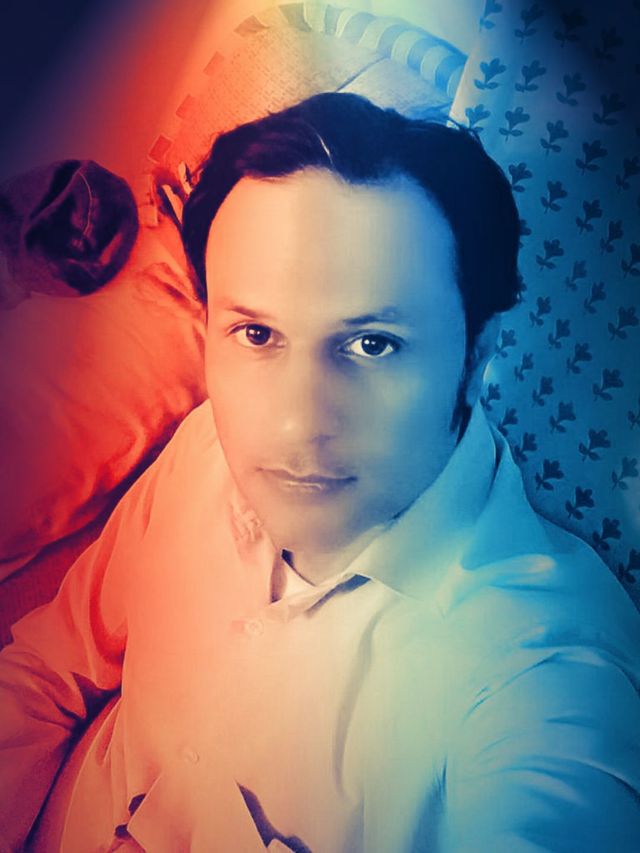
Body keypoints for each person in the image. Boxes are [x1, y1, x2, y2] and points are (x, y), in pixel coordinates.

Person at [1, 93, 639, 852]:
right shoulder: (207, 444)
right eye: (256, 333)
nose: (294, 423)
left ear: (475, 357)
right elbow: (50, 668)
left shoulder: (541, 671)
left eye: (373, 344)